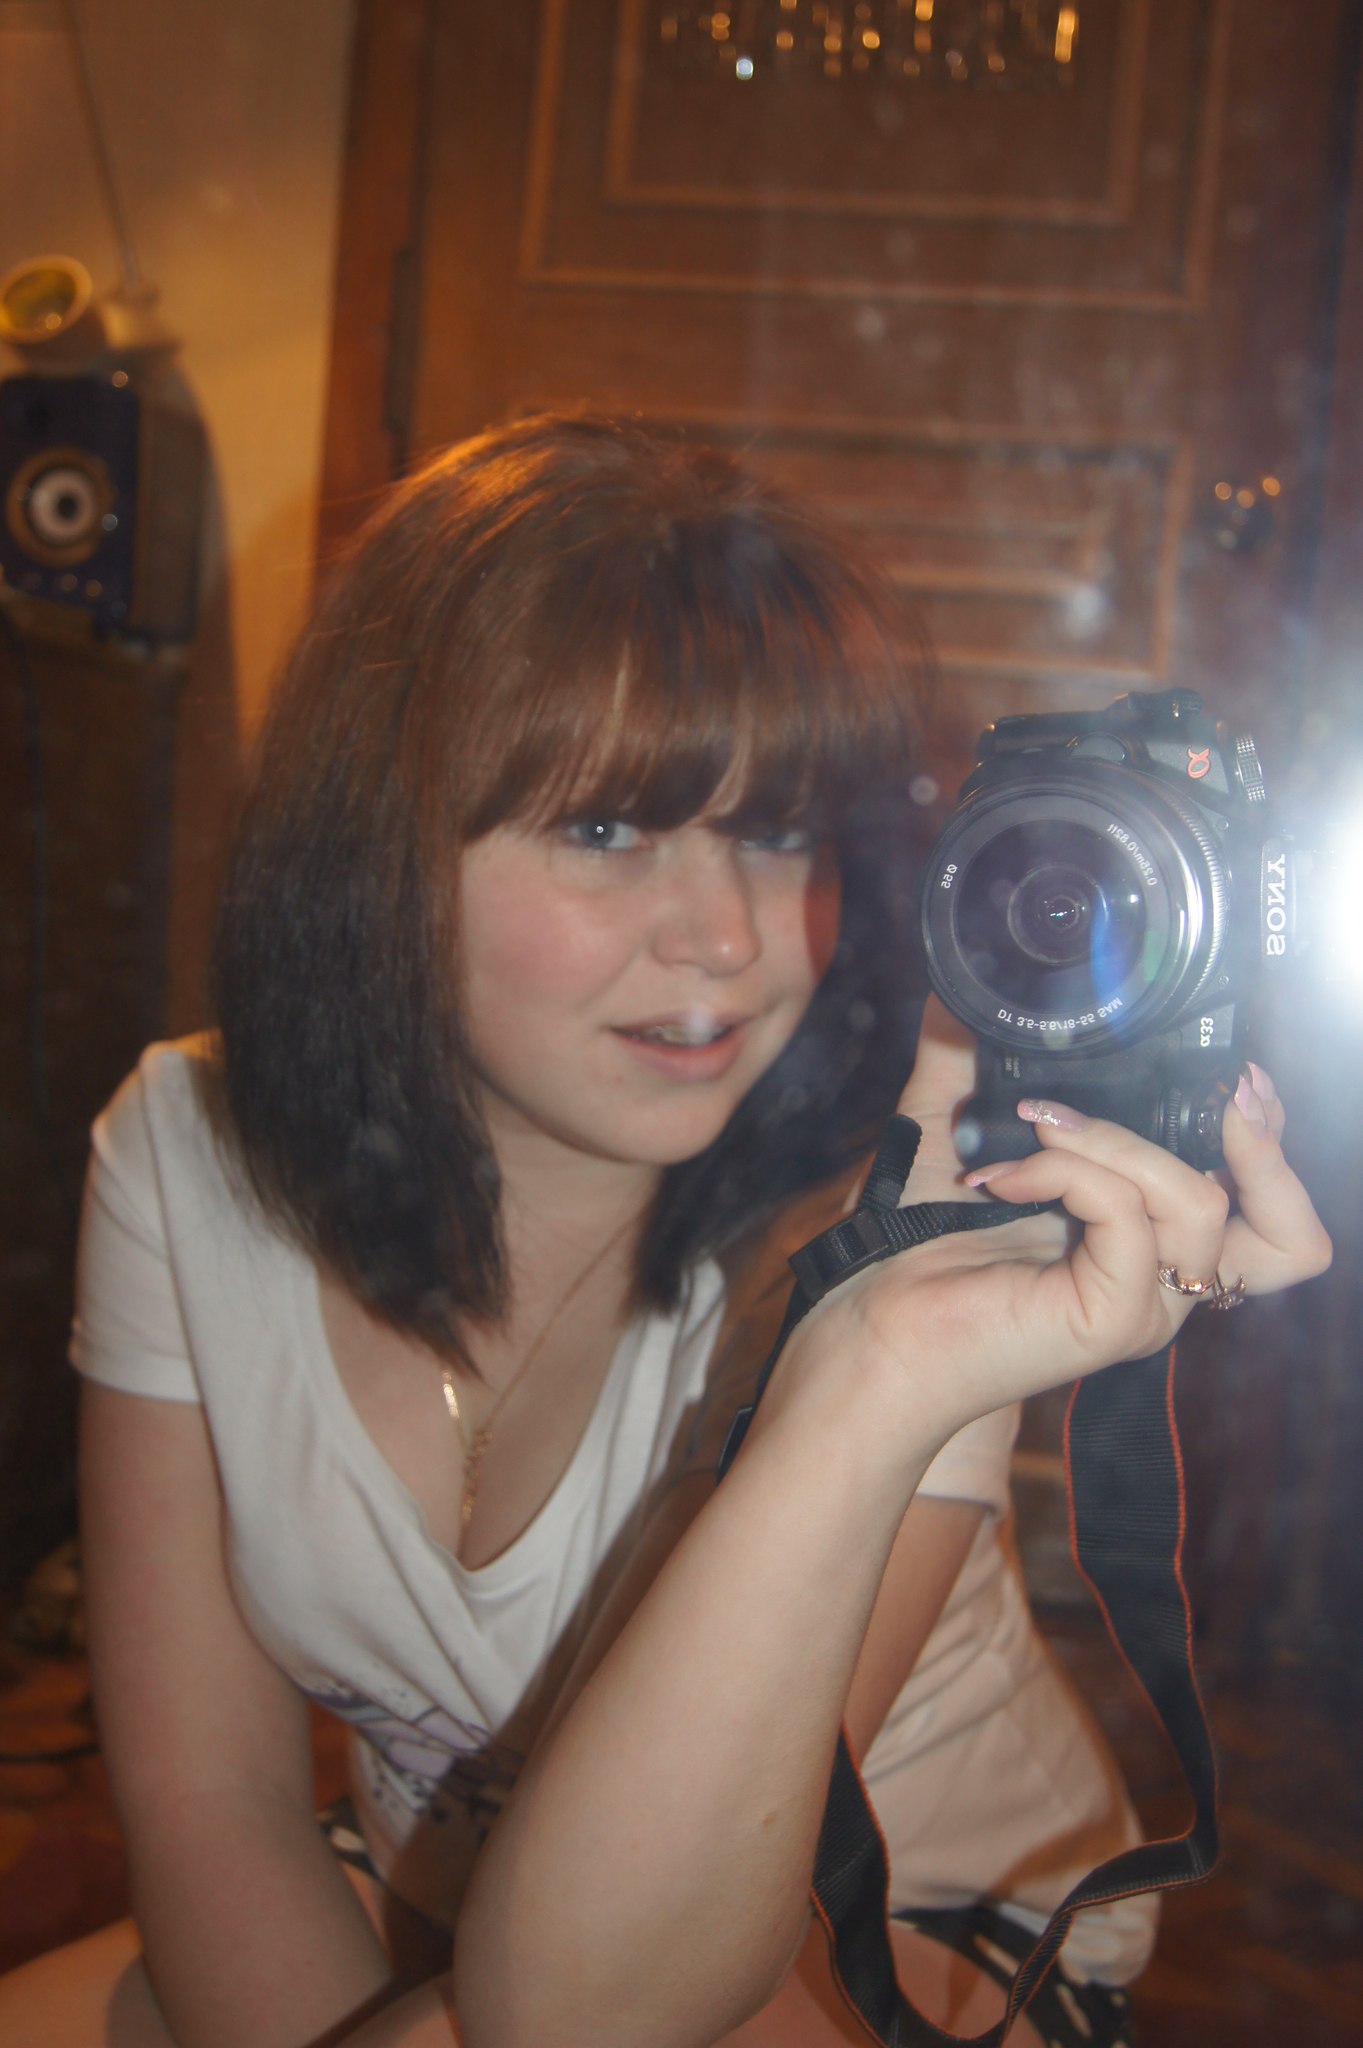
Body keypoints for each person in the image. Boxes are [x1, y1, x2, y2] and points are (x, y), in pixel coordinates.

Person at [0, 413, 1330, 2048]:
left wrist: (881, 1364)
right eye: (608, 829)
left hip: (862, 1918)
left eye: (778, 832)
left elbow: (602, 2006)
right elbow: (215, 1807)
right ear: (375, 841)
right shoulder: (185, 1147)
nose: (728, 941)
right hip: (441, 1885)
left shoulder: (911, 1224)